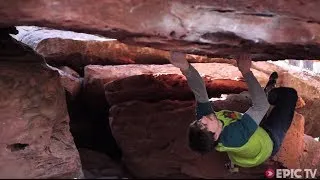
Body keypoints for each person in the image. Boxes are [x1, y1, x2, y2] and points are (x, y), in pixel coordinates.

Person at [169, 51, 298, 169]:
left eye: (197, 122)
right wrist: (246, 71)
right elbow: (261, 106)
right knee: (289, 95)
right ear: (215, 135)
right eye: (203, 124)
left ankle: (267, 93)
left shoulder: (206, 121)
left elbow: (200, 91)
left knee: (258, 108)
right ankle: (268, 93)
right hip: (268, 141)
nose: (202, 118)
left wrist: (184, 67)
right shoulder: (234, 135)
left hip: (247, 134)